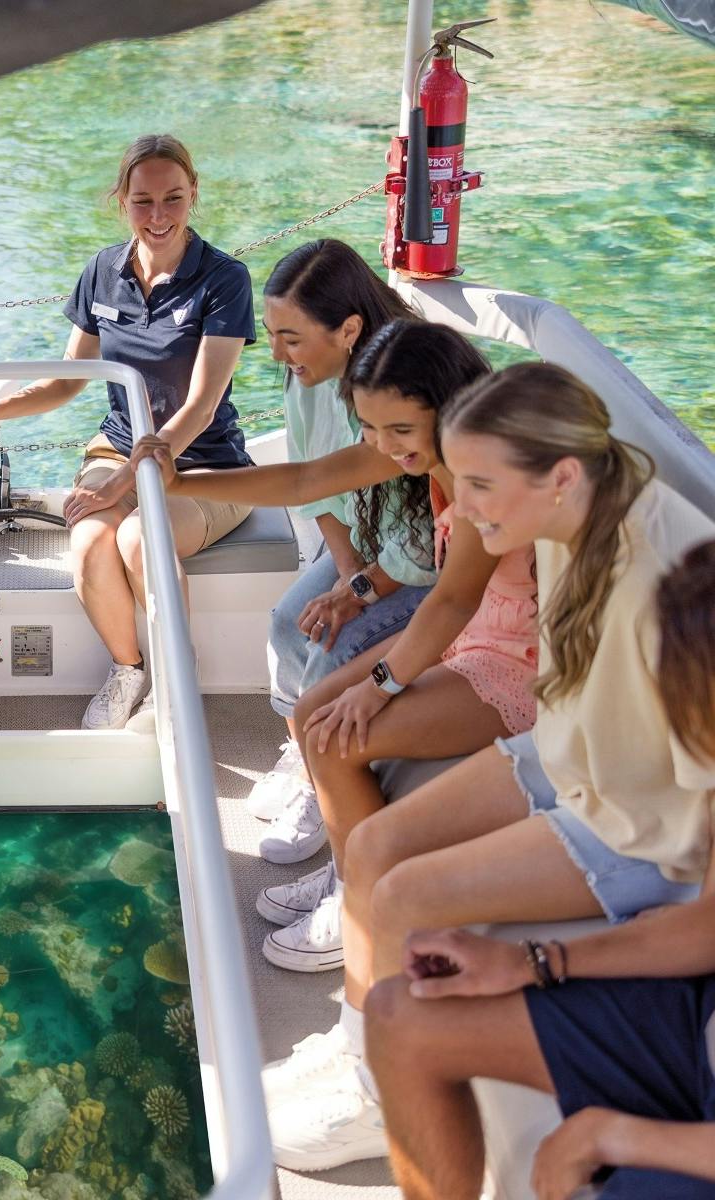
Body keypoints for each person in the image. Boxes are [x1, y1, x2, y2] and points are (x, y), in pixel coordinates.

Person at [264, 362, 715, 1171]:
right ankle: (355, 1044)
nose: (458, 510)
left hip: (640, 823)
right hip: (571, 750)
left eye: (477, 486)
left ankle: (376, 1096)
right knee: (372, 851)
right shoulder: (584, 496)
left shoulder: (659, 589)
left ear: (562, 476)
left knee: (408, 891)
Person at [156, 321, 534, 983]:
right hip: (470, 636)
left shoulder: (481, 476)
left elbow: (451, 601)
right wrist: (181, 483)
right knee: (310, 714)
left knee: (335, 733)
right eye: (369, 429)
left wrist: (380, 685)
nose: (382, 448)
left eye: (398, 432)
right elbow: (306, 478)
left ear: (445, 409)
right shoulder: (423, 447)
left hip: (515, 662)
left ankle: (360, 906)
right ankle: (345, 870)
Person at [365, 538, 715, 1200]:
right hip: (694, 1026)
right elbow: (708, 927)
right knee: (400, 1016)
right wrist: (532, 961)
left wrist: (614, 1136)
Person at [0, 133, 258, 732]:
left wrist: (123, 482)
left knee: (141, 538)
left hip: (205, 462)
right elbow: (69, 382)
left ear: (194, 193)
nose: (158, 215)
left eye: (173, 198)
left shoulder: (225, 279)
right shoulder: (102, 271)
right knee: (89, 540)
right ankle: (128, 671)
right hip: (117, 446)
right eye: (143, 201)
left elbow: (200, 405)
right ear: (122, 201)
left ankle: (176, 676)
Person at [242, 242, 435, 865]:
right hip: (369, 547)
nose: (278, 354)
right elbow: (313, 484)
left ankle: (317, 785)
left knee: (334, 644)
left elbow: (422, 541)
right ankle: (300, 748)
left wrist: (358, 594)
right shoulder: (305, 380)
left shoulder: (398, 388)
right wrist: (347, 573)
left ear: (349, 330)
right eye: (272, 335)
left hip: (421, 562)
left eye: (291, 338)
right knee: (286, 621)